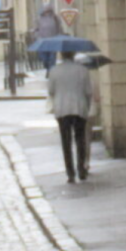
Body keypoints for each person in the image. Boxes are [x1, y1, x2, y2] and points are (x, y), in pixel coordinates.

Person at [48, 51, 92, 183]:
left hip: (62, 109)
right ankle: (81, 169)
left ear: (61, 55)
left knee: (66, 141)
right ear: (73, 55)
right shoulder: (83, 70)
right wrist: (87, 107)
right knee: (80, 140)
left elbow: (51, 91)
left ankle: (70, 173)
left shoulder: (54, 71)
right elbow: (88, 92)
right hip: (79, 107)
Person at [34, 4, 64, 77]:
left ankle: (51, 71)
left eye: (48, 10)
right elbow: (36, 29)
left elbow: (59, 28)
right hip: (42, 42)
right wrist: (37, 36)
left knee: (52, 58)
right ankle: (48, 68)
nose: (47, 12)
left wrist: (60, 36)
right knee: (44, 58)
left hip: (53, 41)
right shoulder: (39, 19)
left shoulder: (55, 18)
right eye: (45, 10)